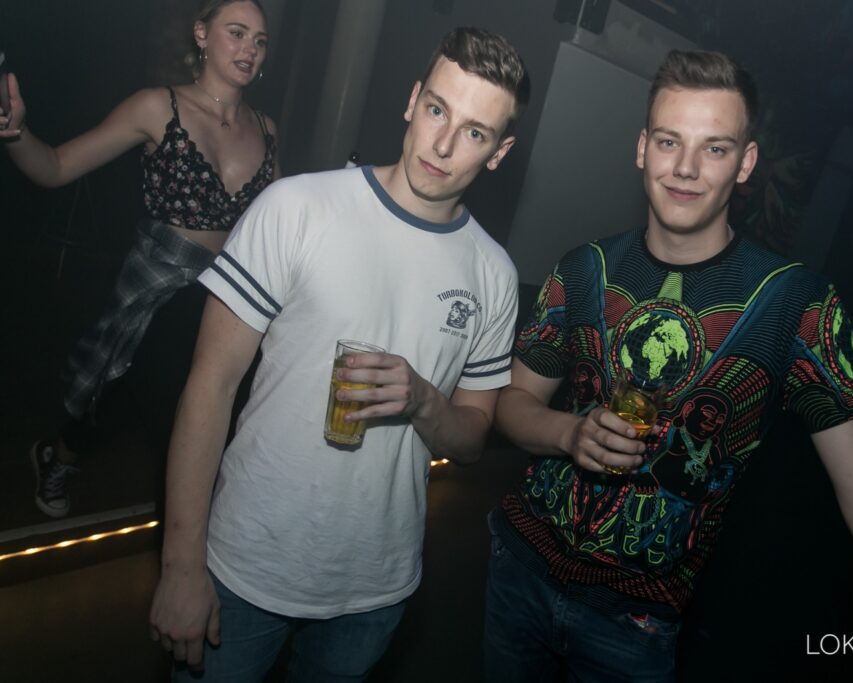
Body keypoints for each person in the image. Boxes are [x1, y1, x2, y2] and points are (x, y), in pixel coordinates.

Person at [485, 50, 853, 682]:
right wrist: (570, 432)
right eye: (669, 141)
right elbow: (511, 406)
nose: (686, 168)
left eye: (715, 148)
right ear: (642, 148)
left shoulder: (796, 303)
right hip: (519, 571)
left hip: (638, 624)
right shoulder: (583, 268)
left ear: (746, 163)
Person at [148, 26, 530, 681]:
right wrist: (181, 565)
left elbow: (472, 438)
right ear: (412, 101)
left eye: (474, 132)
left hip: (375, 588)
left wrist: (422, 399)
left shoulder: (494, 274)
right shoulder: (297, 207)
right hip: (244, 566)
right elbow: (209, 385)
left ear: (499, 152)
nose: (442, 144)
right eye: (437, 110)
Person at [0, 0, 280, 519]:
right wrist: (16, 133)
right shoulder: (157, 107)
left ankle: (190, 523)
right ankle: (64, 456)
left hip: (226, 294)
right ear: (202, 34)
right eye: (237, 33)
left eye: (259, 40)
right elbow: (55, 167)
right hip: (160, 288)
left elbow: (277, 228)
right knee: (121, 397)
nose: (250, 49)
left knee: (188, 412)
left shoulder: (266, 129)